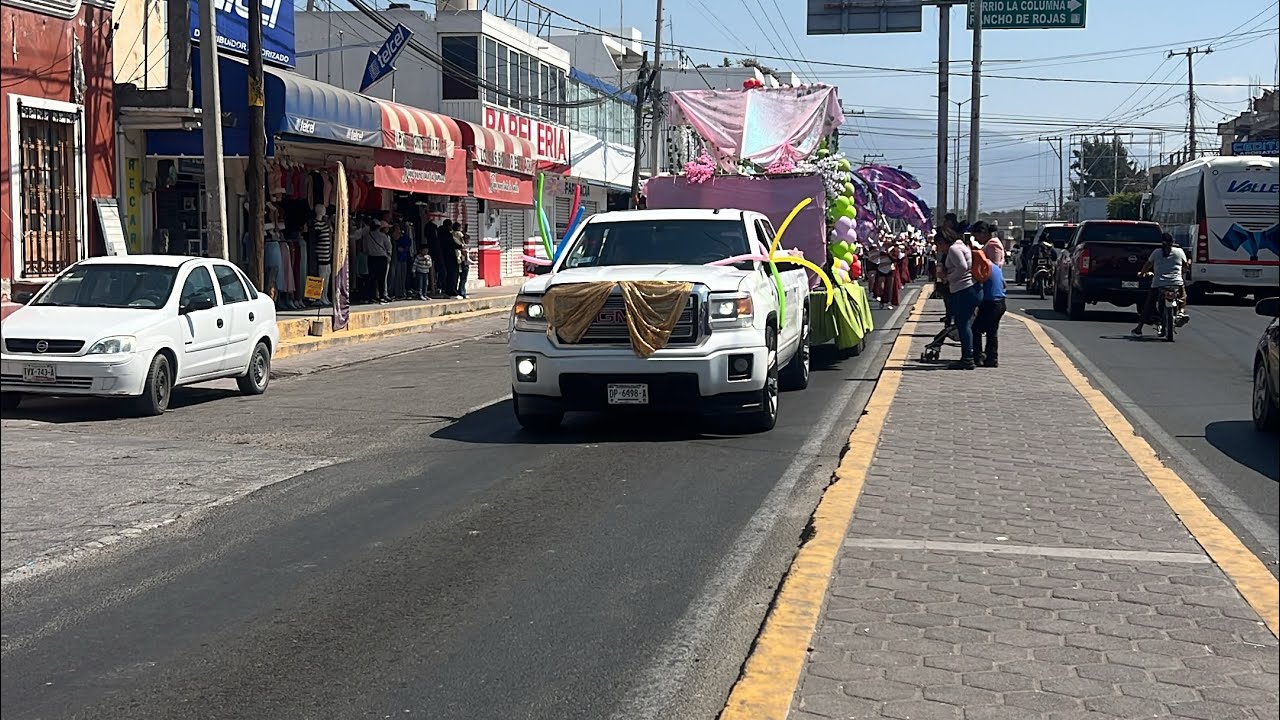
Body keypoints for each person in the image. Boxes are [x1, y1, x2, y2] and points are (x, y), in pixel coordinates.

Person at [1133, 232, 1190, 336]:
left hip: (1158, 283)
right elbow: (1185, 266)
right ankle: (1181, 312)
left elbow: (1147, 265)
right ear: (1173, 241)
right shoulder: (1179, 251)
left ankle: (1139, 328)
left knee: (1149, 304)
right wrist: (1181, 272)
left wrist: (1142, 273)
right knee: (1183, 295)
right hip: (1176, 282)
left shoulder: (1156, 252)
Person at [940, 231, 982, 370]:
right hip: (970, 289)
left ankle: (967, 359)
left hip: (964, 289)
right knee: (964, 324)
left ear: (943, 241)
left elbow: (963, 267)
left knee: (962, 324)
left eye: (939, 245)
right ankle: (969, 355)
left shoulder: (954, 249)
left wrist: (948, 278)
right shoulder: (962, 246)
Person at [973, 253, 1008, 368]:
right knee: (992, 331)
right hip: (1000, 302)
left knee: (976, 330)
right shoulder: (994, 267)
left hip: (990, 302)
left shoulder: (982, 269)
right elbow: (1004, 284)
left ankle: (978, 357)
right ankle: (991, 358)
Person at [365, 220, 393, 304]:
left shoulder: (367, 236)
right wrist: (389, 254)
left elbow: (365, 248)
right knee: (381, 278)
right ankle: (381, 296)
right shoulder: (382, 235)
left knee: (371, 278)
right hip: (381, 258)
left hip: (371, 258)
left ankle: (372, 296)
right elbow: (388, 247)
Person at [454, 223, 471, 298]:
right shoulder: (461, 245)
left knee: (463, 279)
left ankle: (462, 292)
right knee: (463, 278)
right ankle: (461, 292)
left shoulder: (463, 245)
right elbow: (463, 254)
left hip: (464, 262)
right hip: (463, 262)